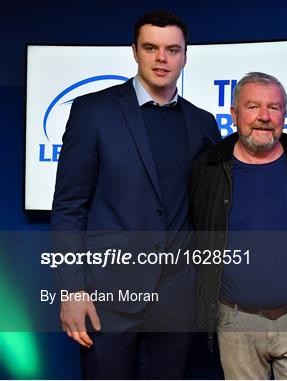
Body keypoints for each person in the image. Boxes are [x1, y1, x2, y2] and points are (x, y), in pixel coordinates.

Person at [51, 10, 221, 379]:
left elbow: (237, 168)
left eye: (172, 50)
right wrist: (71, 290)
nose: (162, 59)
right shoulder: (93, 111)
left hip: (178, 296)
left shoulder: (203, 122)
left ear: (185, 56)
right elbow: (68, 207)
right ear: (134, 51)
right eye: (151, 48)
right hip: (107, 294)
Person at [190, 72, 287, 379]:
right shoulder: (208, 168)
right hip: (235, 321)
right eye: (253, 107)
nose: (264, 117)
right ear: (234, 114)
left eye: (275, 108)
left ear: (284, 114)